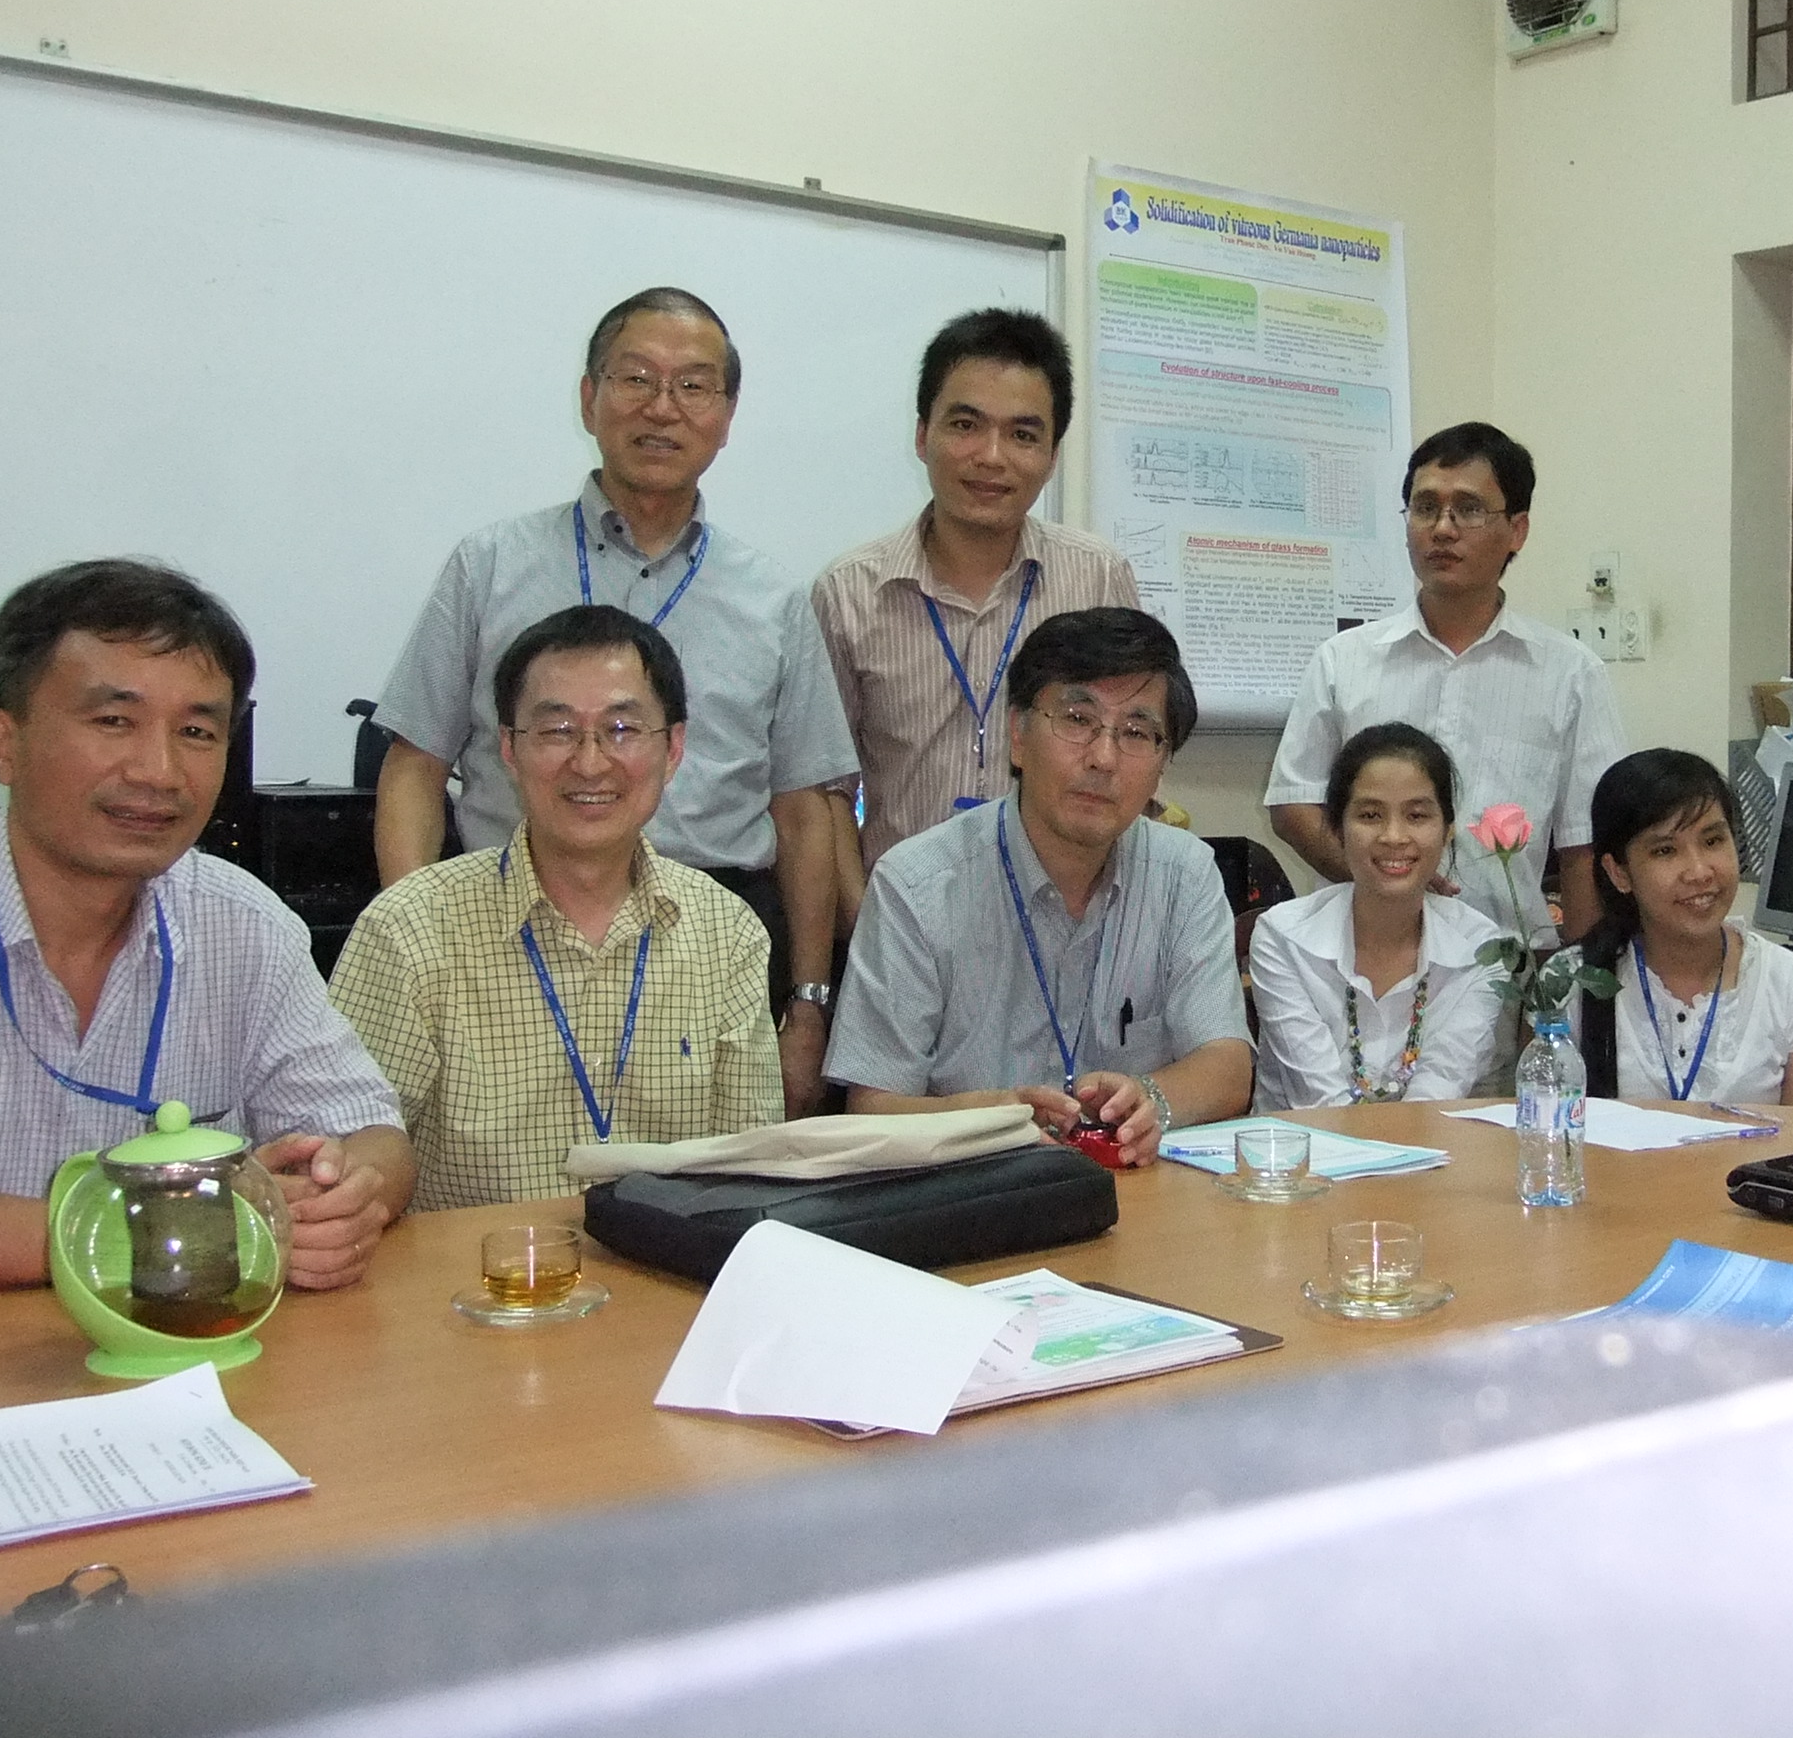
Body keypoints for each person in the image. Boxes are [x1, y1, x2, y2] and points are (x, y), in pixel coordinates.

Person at [369, 286, 854, 1118]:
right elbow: (414, 769)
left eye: (693, 386)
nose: (663, 407)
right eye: (636, 378)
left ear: (727, 416)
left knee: (707, 1184)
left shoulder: (774, 599)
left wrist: (808, 1007)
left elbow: (805, 815)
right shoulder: (490, 565)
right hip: (509, 931)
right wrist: (423, 944)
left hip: (714, 946)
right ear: (589, 397)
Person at [0, 560, 414, 1295]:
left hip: (194, 1350)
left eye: (197, 730)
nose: (160, 771)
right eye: (114, 721)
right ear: (5, 744)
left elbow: (370, 1135)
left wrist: (345, 1196)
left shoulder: (244, 923)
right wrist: (171, 1231)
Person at [330, 607, 783, 1209]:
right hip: (475, 1265)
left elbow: (747, 1171)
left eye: (621, 728)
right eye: (558, 730)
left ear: (674, 748)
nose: (590, 762)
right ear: (509, 749)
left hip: (661, 1264)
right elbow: (352, 1145)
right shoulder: (409, 929)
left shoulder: (728, 933)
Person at [825, 607, 1251, 1164]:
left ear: (1162, 763)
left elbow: (1228, 1067)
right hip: (976, 1191)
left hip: (1135, 1190)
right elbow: (871, 1109)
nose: (1103, 758)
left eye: (1136, 733)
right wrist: (993, 1116)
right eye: (1077, 719)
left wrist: (1151, 1098)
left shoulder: (1185, 873)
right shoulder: (916, 885)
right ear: (1018, 736)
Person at [810, 310, 1140, 906]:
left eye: (1022, 435)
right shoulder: (848, 593)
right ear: (922, 435)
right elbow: (828, 791)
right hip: (901, 918)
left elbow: (1130, 752)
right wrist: (867, 929)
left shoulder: (1097, 578)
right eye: (966, 425)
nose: (991, 456)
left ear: (1052, 455)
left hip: (1063, 917)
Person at [1266, 422, 1627, 950]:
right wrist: (1389, 878)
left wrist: (1579, 981)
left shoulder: (1571, 674)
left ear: (1517, 530)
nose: (1442, 528)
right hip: (1363, 953)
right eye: (1425, 507)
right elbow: (1293, 805)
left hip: (1508, 963)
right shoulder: (1344, 660)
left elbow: (1583, 845)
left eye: (1469, 509)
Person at [1248, 724, 1507, 1110]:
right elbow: (1321, 1103)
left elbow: (1438, 1095)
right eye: (1370, 815)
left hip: (1429, 1143)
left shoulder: (1481, 949)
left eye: (1417, 816)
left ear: (1448, 830)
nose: (1394, 836)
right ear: (1337, 828)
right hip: (1307, 1146)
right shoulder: (1283, 938)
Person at [1576, 749, 1793, 1108]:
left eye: (1713, 841)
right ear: (1618, 872)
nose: (1699, 872)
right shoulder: (1572, 983)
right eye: (1665, 851)